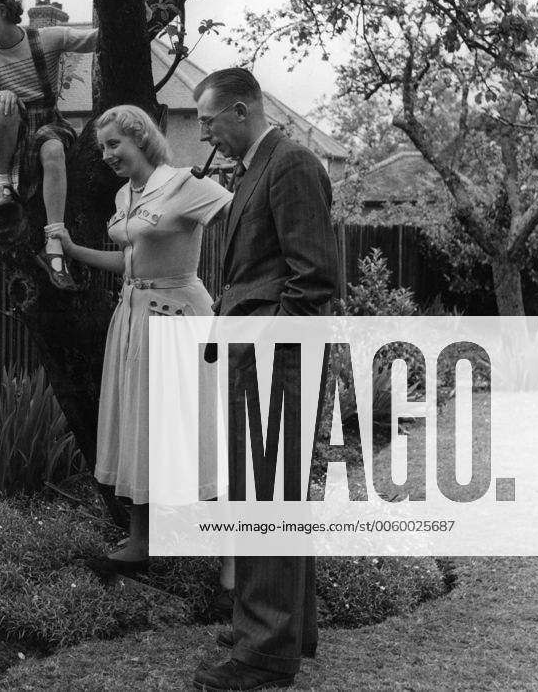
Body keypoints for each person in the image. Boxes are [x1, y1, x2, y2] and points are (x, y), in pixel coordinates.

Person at [192, 68, 337, 692]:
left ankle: (264, 653)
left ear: (243, 110)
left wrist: (267, 347)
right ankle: (286, 630)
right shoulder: (257, 166)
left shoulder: (293, 163)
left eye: (207, 121)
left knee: (266, 497)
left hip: (277, 362)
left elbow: (315, 279)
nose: (204, 134)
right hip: (261, 358)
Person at [51, 104, 232, 569]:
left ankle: (231, 559)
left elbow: (243, 220)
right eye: (103, 147)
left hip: (178, 315)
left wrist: (240, 290)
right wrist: (73, 250)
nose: (109, 154)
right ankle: (140, 543)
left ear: (143, 140)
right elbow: (132, 264)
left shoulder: (185, 185)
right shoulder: (125, 197)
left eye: (116, 144)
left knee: (193, 431)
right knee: (139, 426)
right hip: (132, 317)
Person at [0, 0, 97, 291]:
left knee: (53, 150)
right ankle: (3, 185)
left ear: (3, 10)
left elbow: (95, 39)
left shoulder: (47, 39)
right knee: (4, 104)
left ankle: (55, 243)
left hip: (46, 122)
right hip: (6, 132)